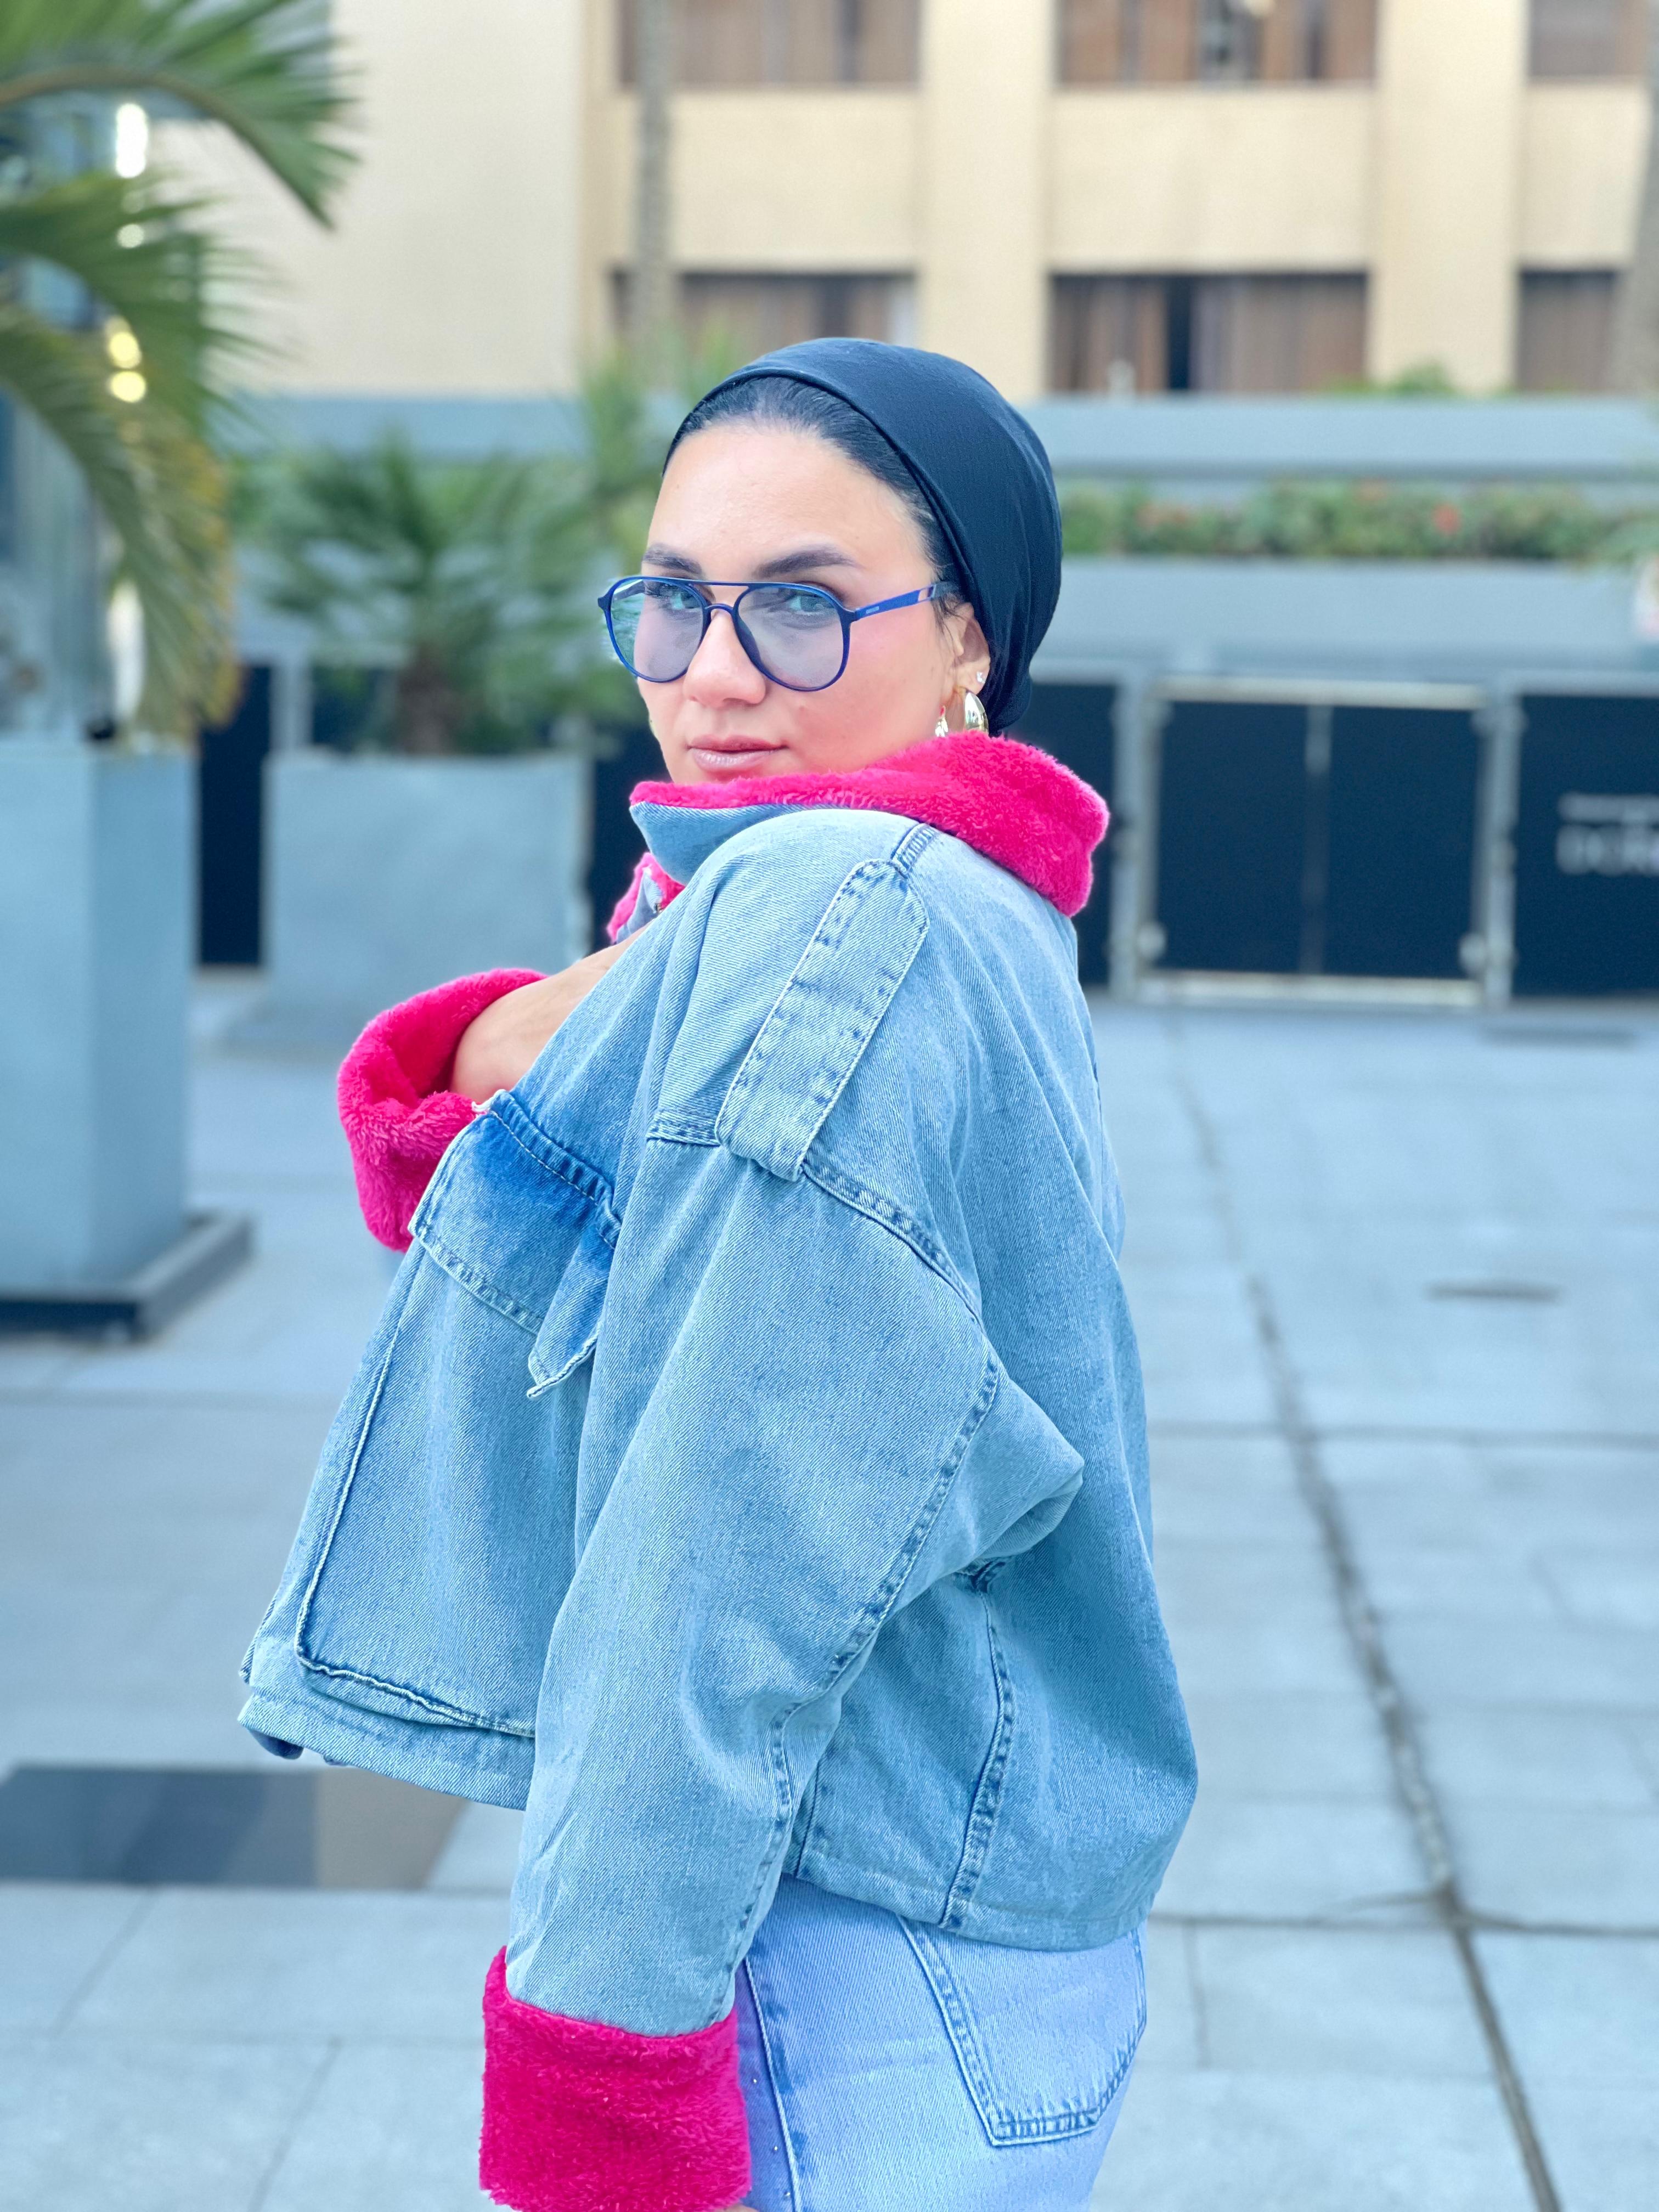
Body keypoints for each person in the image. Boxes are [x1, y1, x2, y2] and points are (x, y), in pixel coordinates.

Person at [241, 338, 1195, 2212]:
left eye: (806, 607)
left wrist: (599, 2073)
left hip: (833, 1961)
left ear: (970, 640)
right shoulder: (900, 894)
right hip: (943, 1933)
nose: (718, 676)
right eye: (673, 601)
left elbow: (718, 1560)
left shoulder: (841, 915)